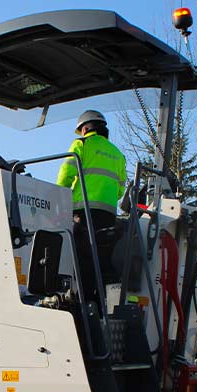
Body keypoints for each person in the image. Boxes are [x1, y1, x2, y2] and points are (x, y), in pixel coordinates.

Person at [55, 110, 127, 302]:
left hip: (84, 211)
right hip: (108, 214)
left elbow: (65, 174)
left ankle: (81, 302)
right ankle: (100, 303)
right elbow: (120, 190)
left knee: (82, 259)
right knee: (101, 260)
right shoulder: (117, 154)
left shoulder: (82, 144)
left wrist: (57, 198)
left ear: (85, 128)